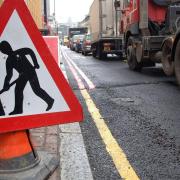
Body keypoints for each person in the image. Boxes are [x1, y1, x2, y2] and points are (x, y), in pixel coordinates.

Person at [0, 41, 54, 115]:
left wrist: (35, 63)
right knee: (18, 90)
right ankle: (18, 109)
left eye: (5, 48)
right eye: (3, 50)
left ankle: (50, 100)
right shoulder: (9, 61)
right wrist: (6, 84)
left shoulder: (19, 52)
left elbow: (30, 51)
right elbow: (9, 74)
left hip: (30, 72)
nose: (5, 51)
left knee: (37, 90)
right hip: (22, 75)